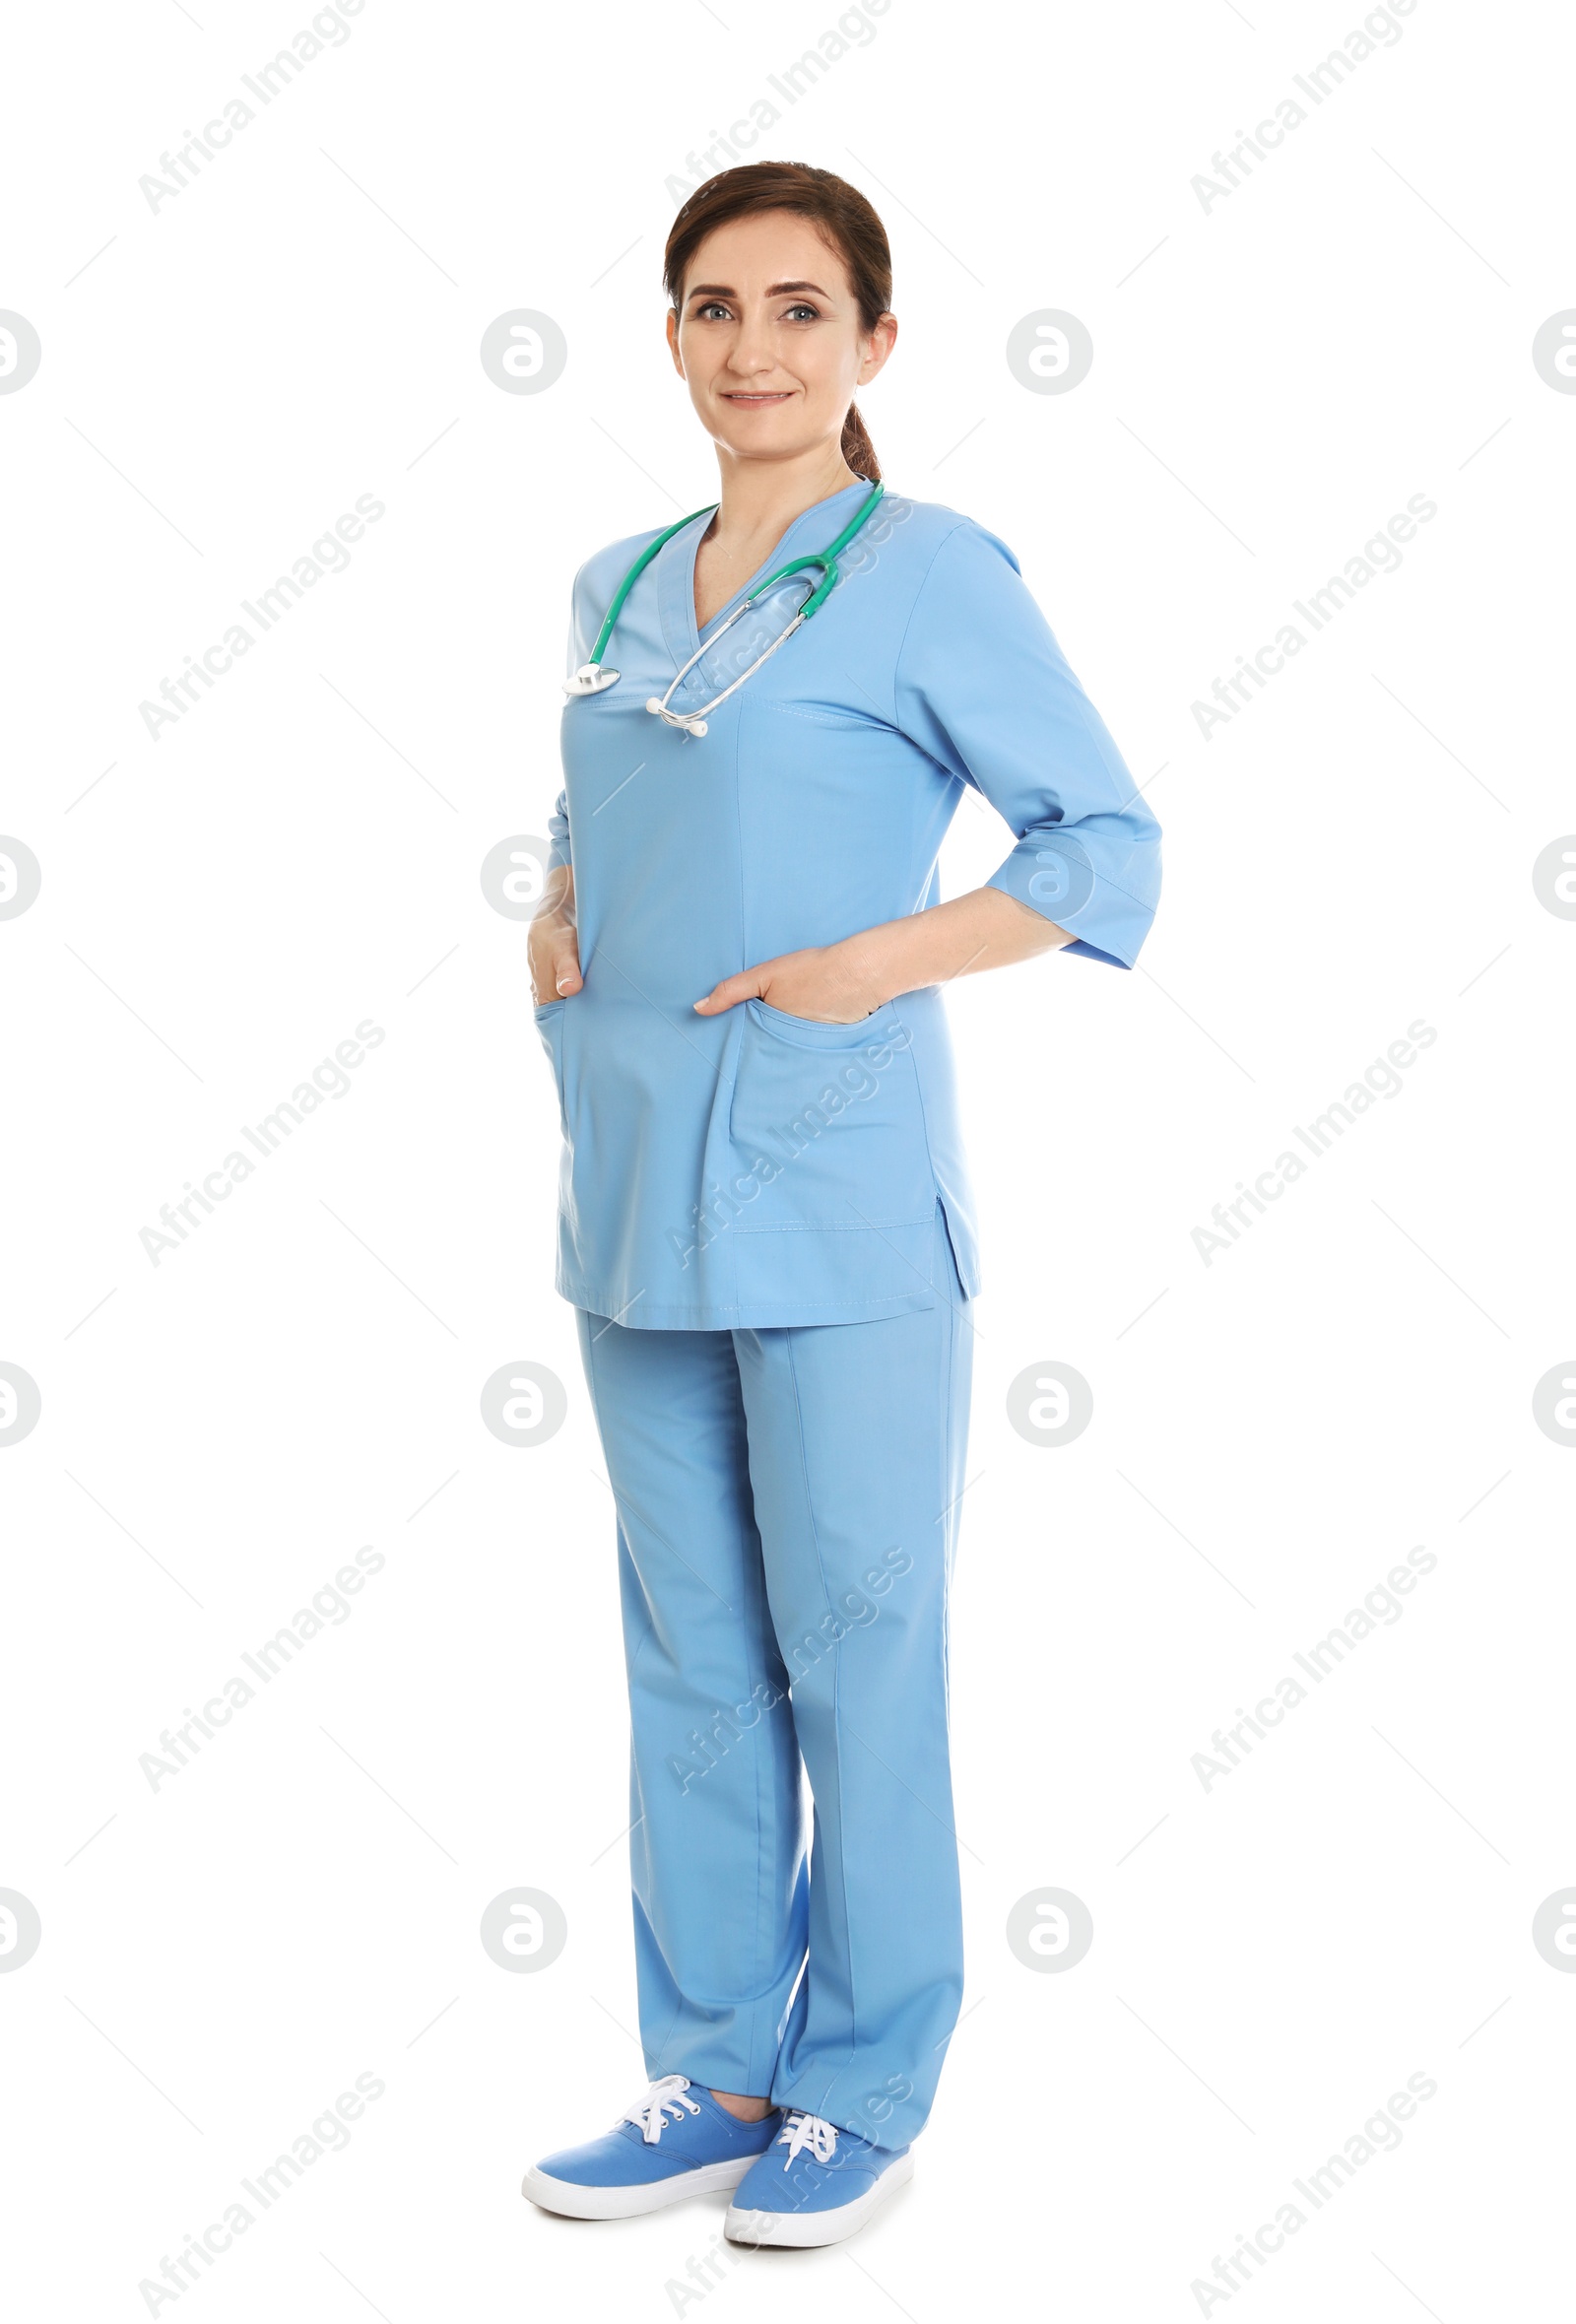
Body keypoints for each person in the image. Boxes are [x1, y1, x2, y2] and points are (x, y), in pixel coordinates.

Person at [520, 161, 1161, 2249]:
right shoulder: (617, 580)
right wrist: (553, 900)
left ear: (872, 344)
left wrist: (866, 961)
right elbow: (618, 787)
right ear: (672, 337)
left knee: (852, 1650)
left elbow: (1096, 837)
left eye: (799, 310)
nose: (751, 348)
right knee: (686, 1651)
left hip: (835, 1196)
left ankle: (860, 2084)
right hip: (631, 1189)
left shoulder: (929, 572)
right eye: (713, 306)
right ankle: (712, 2066)